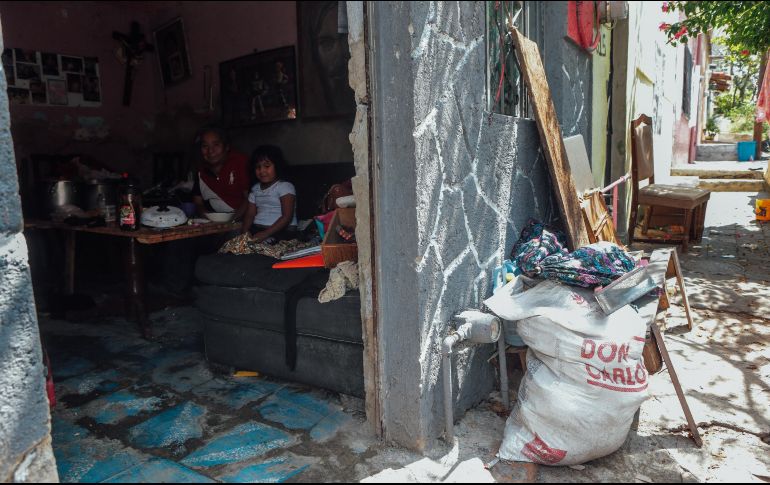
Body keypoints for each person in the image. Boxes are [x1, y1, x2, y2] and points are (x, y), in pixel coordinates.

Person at [192, 125, 250, 220]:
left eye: (216, 145)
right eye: (205, 146)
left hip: (241, 219)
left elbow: (249, 199)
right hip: (215, 222)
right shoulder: (202, 171)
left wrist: (231, 222)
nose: (210, 151)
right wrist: (208, 218)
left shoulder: (240, 162)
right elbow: (198, 202)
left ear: (226, 147)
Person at [241, 145, 297, 243]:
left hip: (281, 231)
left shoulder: (285, 187)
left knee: (267, 246)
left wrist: (266, 234)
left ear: (277, 166)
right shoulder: (255, 189)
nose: (262, 171)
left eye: (267, 166)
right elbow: (250, 214)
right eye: (258, 167)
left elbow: (287, 217)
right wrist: (245, 233)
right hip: (258, 230)